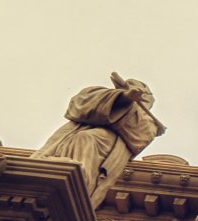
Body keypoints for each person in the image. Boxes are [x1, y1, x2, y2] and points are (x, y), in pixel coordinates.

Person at [34, 73, 165, 204]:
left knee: (87, 138)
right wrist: (123, 98)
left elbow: (140, 137)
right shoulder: (101, 95)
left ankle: (77, 180)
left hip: (107, 144)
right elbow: (80, 104)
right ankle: (70, 175)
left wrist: (128, 104)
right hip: (73, 134)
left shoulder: (148, 123)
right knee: (83, 137)